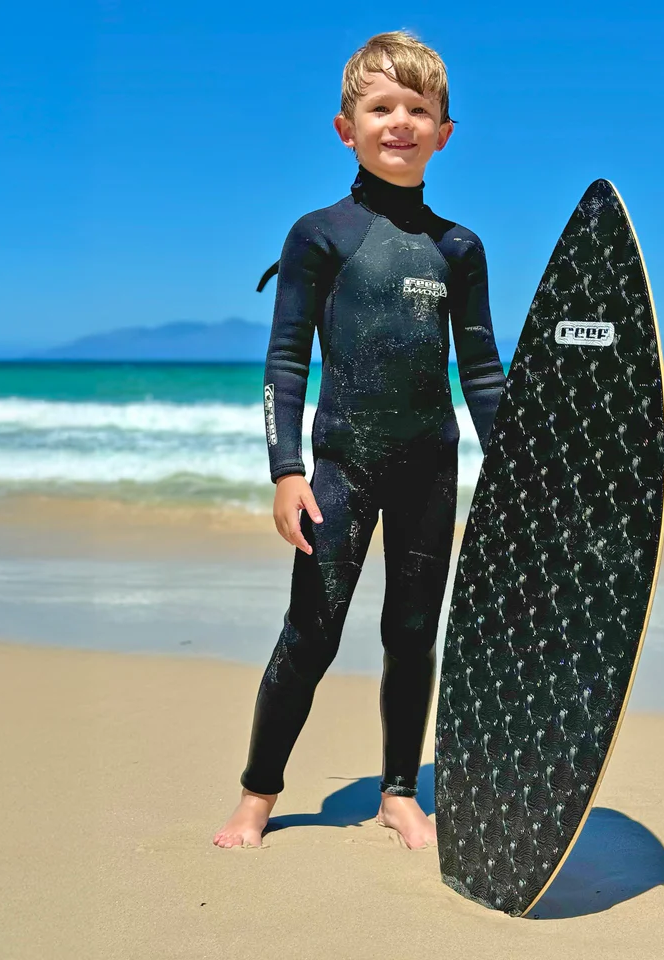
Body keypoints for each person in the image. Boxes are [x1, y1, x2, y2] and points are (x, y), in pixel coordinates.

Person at [213, 30, 505, 851]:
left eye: (418, 109)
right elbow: (285, 360)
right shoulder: (319, 235)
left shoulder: (459, 249)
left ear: (444, 132)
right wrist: (287, 470)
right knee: (311, 632)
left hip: (429, 465)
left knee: (412, 636)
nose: (399, 122)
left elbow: (482, 372)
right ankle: (258, 795)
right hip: (341, 466)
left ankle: (399, 793)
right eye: (381, 108)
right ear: (347, 128)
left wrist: (514, 466)